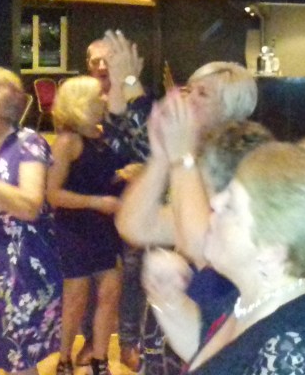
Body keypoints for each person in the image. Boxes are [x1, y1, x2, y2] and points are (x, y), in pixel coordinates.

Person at [143, 142, 305, 374]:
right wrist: (168, 299)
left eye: (231, 206)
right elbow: (220, 356)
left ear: (271, 251)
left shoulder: (293, 357)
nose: (215, 202)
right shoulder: (271, 285)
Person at [116, 61, 258, 375]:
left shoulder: (240, 165)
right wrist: (161, 157)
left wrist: (181, 157)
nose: (187, 100)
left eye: (202, 94)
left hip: (221, 333)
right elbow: (135, 226)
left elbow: (201, 246)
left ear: (230, 111)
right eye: (188, 90)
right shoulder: (192, 161)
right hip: (180, 326)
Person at [0, 67, 60, 375]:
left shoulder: (27, 144)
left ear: (0, 103)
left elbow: (30, 206)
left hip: (19, 276)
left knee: (19, 365)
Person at [77, 30, 152, 371]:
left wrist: (139, 171)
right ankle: (92, 341)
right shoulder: (80, 103)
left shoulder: (138, 105)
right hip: (93, 203)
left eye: (108, 60)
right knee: (93, 276)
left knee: (134, 274)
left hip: (133, 204)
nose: (102, 66)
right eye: (95, 61)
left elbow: (149, 153)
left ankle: (129, 342)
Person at [47, 76, 131, 375]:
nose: (105, 100)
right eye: (99, 96)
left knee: (110, 293)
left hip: (106, 225)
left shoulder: (103, 137)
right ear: (81, 103)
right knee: (76, 297)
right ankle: (64, 357)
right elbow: (53, 194)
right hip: (75, 227)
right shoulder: (67, 142)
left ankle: (100, 359)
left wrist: (126, 175)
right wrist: (96, 202)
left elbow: (105, 177)